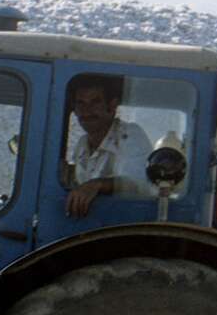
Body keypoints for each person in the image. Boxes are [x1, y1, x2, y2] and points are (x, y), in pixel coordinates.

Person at [63, 75, 154, 217]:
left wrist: (98, 185)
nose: (87, 110)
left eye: (95, 102)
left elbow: (139, 186)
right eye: (80, 103)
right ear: (74, 110)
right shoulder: (82, 145)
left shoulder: (129, 135)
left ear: (112, 106)